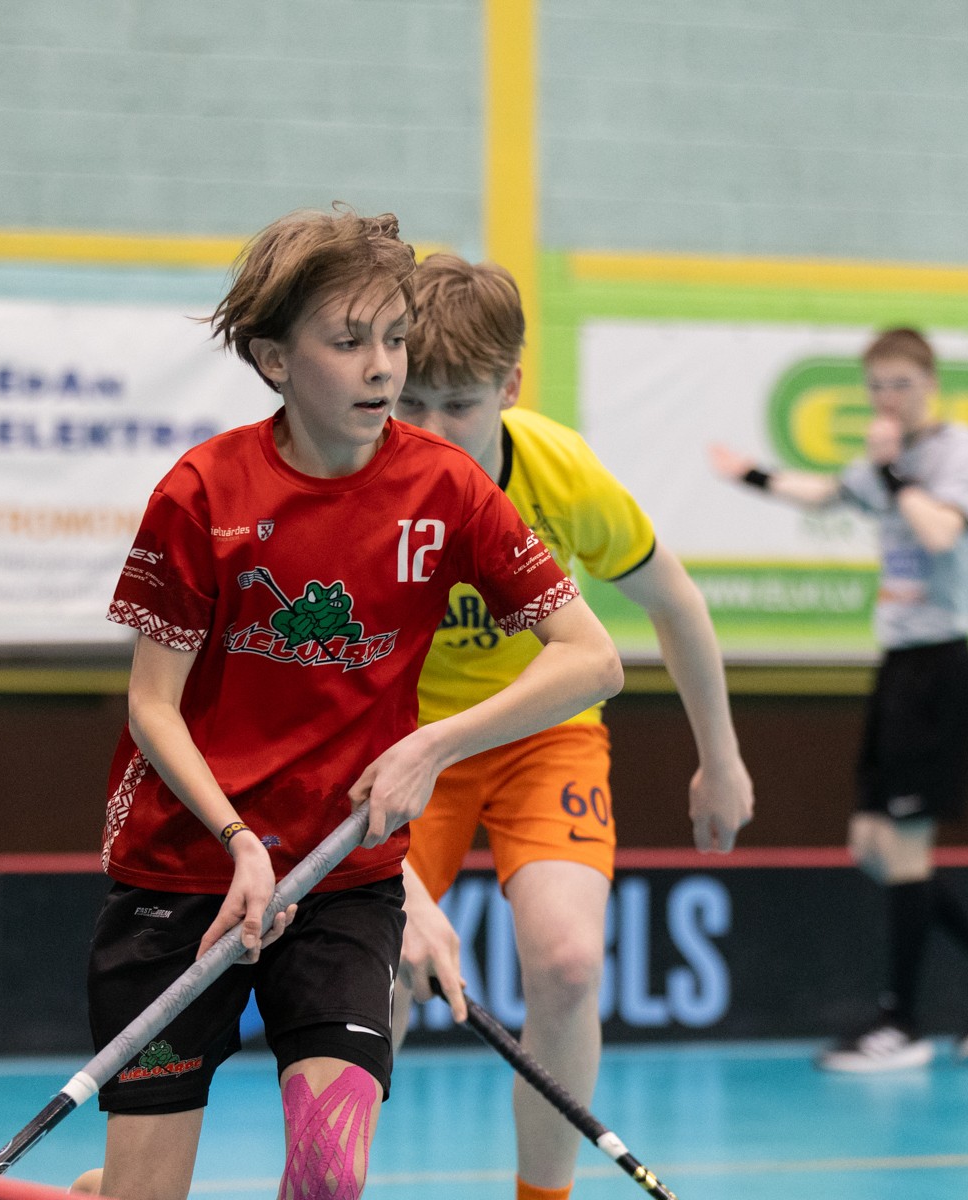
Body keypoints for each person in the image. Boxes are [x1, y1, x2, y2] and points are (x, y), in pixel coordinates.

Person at [80, 209, 624, 1200]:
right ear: (274, 360)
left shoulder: (447, 490)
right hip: (186, 869)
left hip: (343, 879)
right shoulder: (201, 494)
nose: (382, 368)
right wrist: (239, 841)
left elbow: (592, 660)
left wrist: (435, 744)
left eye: (394, 339)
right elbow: (152, 707)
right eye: (348, 342)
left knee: (330, 1177)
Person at [389, 253, 755, 1200]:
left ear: (509, 388)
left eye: (460, 405)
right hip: (402, 743)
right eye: (411, 401)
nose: (431, 430)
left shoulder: (560, 472)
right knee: (374, 974)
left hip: (542, 735)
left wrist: (720, 759)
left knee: (566, 963)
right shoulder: (358, 482)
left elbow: (674, 603)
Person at [710, 326, 968, 1072]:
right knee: (872, 847)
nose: (888, 398)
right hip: (898, 666)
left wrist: (894, 470)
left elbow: (938, 534)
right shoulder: (881, 463)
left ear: (930, 383)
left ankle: (902, 1023)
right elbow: (826, 493)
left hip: (939, 667)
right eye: (876, 387)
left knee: (903, 848)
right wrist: (751, 476)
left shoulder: (955, 451)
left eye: (901, 383)